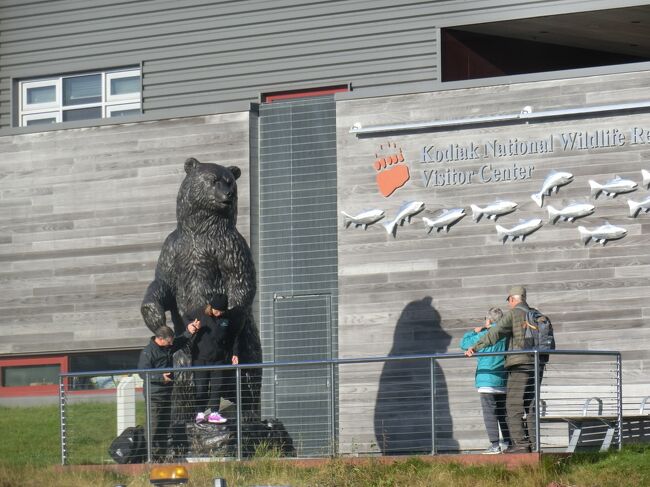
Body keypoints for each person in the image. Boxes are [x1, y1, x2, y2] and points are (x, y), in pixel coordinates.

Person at [464, 285, 541, 453]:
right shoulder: (535, 313)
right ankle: (534, 445)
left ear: (513, 299)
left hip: (519, 364)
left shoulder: (514, 314)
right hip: (537, 363)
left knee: (513, 406)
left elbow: (494, 334)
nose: (508, 304)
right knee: (530, 406)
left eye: (508, 300)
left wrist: (475, 347)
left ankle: (520, 445)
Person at [138, 323, 199, 460]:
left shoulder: (168, 346)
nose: (171, 344)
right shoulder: (148, 352)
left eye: (171, 341)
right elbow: (142, 372)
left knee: (165, 425)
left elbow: (180, 341)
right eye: (168, 341)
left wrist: (189, 331)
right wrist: (160, 377)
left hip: (167, 393)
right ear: (160, 339)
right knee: (153, 425)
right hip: (154, 395)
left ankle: (161, 455)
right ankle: (149, 456)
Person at [460, 307, 512, 454]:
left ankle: (495, 445)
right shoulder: (505, 334)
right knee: (503, 412)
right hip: (502, 378)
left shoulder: (484, 334)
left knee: (489, 412)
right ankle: (507, 442)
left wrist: (474, 331)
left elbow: (464, 344)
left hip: (486, 379)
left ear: (488, 320)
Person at [185, 294, 242, 424]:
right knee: (201, 386)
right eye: (216, 310)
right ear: (211, 307)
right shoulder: (200, 312)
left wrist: (235, 353)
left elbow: (234, 336)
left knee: (217, 386)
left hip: (219, 358)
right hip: (200, 358)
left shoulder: (227, 318)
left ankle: (214, 413)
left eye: (221, 311)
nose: (218, 313)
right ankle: (200, 413)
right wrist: (190, 327)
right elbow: (185, 318)